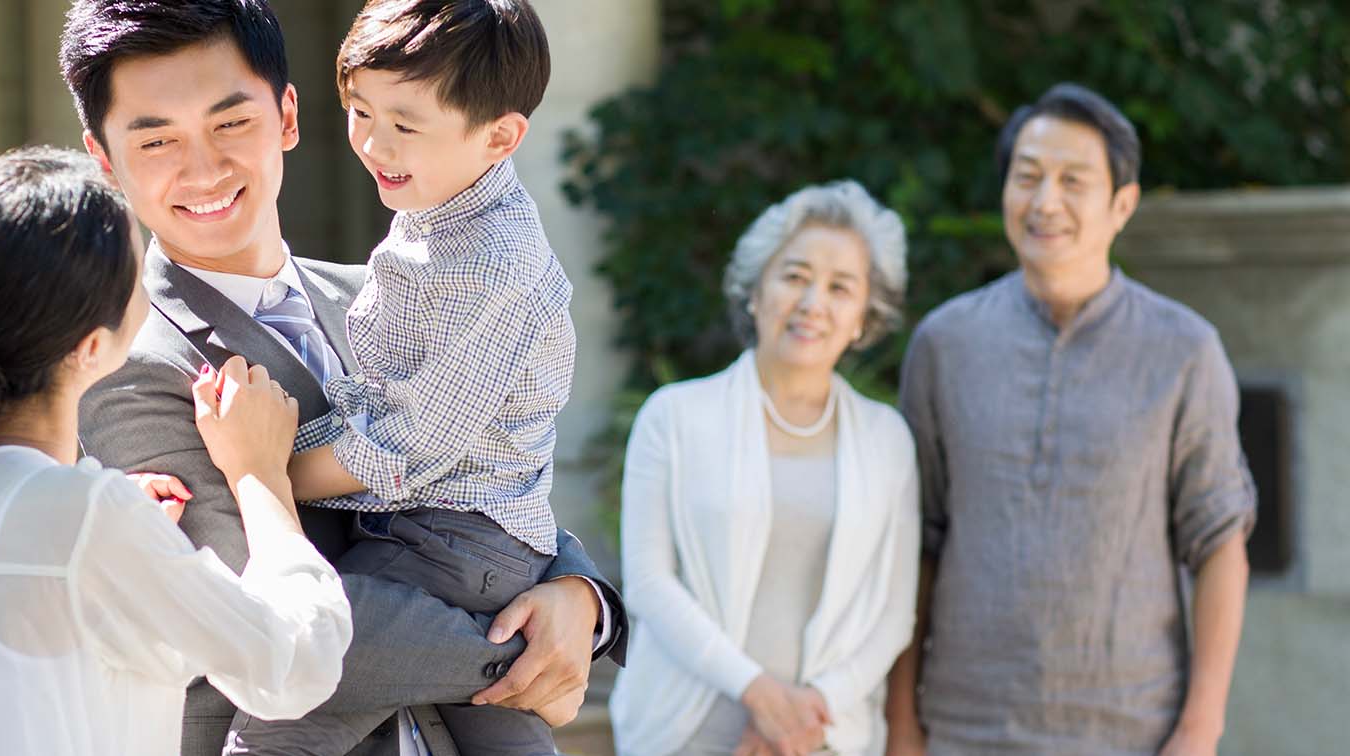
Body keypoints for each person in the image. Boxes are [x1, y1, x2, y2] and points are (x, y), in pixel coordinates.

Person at [61, 2, 627, 754]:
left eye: (231, 123)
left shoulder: (400, 290)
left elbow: (483, 472)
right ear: (105, 159)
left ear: (288, 117)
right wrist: (522, 656)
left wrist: (581, 599)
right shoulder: (132, 370)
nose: (203, 169)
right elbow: (265, 620)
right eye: (158, 139)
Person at [0, 146, 351, 756]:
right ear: (91, 347)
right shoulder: (85, 520)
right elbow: (294, 667)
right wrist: (259, 475)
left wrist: (118, 532)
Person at [220, 0, 572, 753]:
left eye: (405, 125)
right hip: (437, 532)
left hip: (457, 540)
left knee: (295, 698)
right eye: (358, 110)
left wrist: (264, 466)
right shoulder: (438, 211)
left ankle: (508, 659)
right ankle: (504, 662)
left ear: (501, 136)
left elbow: (410, 442)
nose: (374, 143)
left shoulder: (489, 263)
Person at [884, 83, 1256, 756]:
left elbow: (1220, 541)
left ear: (1122, 204)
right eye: (1027, 177)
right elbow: (919, 542)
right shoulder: (945, 343)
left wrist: (1200, 730)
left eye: (1072, 180)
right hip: (964, 728)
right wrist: (902, 723)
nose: (1044, 201)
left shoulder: (1184, 349)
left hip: (1132, 729)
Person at [610, 181, 920, 756]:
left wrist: (806, 715)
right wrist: (762, 697)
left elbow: (894, 613)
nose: (813, 303)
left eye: (840, 287)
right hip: (684, 737)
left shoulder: (887, 439)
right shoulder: (674, 417)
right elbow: (651, 585)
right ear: (756, 291)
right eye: (795, 276)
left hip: (823, 737)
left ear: (862, 318)